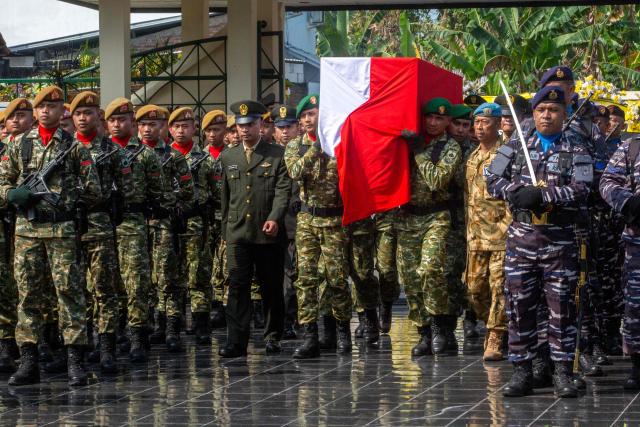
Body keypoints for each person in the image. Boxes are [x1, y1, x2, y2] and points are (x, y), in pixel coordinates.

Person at [486, 86, 593, 398]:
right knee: (519, 306)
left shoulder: (577, 147)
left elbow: (583, 190)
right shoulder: (517, 143)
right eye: (542, 109)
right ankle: (522, 370)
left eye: (554, 110)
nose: (547, 115)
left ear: (565, 114)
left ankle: (562, 371)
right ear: (533, 113)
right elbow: (491, 178)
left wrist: (544, 195)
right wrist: (514, 192)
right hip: (522, 239)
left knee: (561, 308)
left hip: (559, 241)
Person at [0, 86, 102, 386]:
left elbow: (94, 190)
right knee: (28, 295)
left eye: (52, 106)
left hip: (62, 230)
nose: (45, 111)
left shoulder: (74, 147)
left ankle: (75, 361)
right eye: (41, 106)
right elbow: (2, 181)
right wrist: (14, 195)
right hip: (27, 231)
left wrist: (69, 197)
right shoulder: (19, 145)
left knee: (69, 293)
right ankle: (29, 360)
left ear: (62, 112)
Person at [219, 100, 290, 357]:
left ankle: (272, 336)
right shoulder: (228, 157)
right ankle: (236, 341)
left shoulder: (276, 155)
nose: (245, 130)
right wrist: (225, 232)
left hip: (267, 232)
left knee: (271, 286)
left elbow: (283, 192)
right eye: (241, 126)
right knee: (237, 286)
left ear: (261, 124)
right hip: (238, 232)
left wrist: (275, 218)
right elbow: (225, 200)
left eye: (250, 125)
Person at [284, 94, 352, 359]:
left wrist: (330, 143)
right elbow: (295, 172)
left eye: (313, 114)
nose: (308, 119)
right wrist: (316, 148)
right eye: (304, 116)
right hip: (307, 221)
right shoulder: (296, 147)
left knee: (336, 279)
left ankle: (342, 330)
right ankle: (310, 334)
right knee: (306, 278)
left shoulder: (340, 144)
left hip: (335, 219)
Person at [399, 97, 461, 356]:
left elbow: (437, 180)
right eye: (429, 117)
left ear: (448, 122)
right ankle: (423, 331)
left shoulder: (450, 147)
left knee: (430, 269)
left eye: (439, 118)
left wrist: (418, 152)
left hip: (436, 217)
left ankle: (438, 326)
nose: (433, 122)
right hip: (407, 218)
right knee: (411, 278)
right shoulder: (410, 141)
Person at [67, 91, 123, 374]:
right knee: (75, 290)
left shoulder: (111, 149)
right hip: (69, 227)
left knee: (103, 287)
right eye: (77, 114)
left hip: (100, 223)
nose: (82, 118)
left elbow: (123, 189)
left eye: (87, 113)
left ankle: (107, 346)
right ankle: (82, 343)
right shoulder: (64, 147)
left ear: (97, 116)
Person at [106, 98, 164, 362]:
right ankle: (110, 334)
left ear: (132, 123)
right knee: (104, 282)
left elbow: (158, 193)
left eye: (122, 120)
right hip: (102, 225)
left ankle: (138, 334)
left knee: (136, 282)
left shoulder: (145, 154)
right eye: (113, 120)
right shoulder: (96, 152)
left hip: (133, 222)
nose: (117, 124)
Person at [141, 105, 194, 353]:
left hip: (163, 222)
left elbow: (187, 191)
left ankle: (172, 326)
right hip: (139, 223)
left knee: (168, 276)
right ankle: (154, 323)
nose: (147, 129)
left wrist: (172, 205)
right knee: (143, 277)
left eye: (154, 124)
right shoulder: (131, 155)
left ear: (163, 128)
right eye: (143, 124)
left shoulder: (174, 156)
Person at [463, 102, 510, 361]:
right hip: (476, 236)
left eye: (486, 123)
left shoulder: (506, 155)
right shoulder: (472, 157)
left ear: (498, 125)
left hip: (500, 236)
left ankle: (496, 335)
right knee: (474, 289)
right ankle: (495, 321)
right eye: (477, 122)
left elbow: (511, 198)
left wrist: (508, 228)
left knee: (499, 287)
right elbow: (467, 198)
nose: (480, 127)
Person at [169, 107, 217, 345]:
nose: (181, 130)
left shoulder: (205, 159)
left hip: (197, 223)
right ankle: (173, 326)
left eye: (186, 126)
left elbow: (217, 194)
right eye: (176, 126)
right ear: (170, 129)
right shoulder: (163, 158)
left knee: (199, 274)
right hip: (170, 225)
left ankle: (201, 324)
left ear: (194, 129)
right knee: (171, 276)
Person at [599, 122, 640, 390]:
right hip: (638, 238)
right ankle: (638, 363)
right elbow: (607, 181)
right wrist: (629, 202)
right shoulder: (631, 147)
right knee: (636, 305)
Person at [445, 104, 478, 342]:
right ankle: (448, 320)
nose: (460, 129)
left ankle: (470, 317)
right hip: (444, 217)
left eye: (466, 125)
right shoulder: (439, 148)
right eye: (457, 124)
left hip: (468, 219)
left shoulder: (475, 152)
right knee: (447, 272)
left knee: (470, 271)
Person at [272, 104, 300, 339]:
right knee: (282, 277)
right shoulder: (268, 155)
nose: (284, 132)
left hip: (300, 222)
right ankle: (286, 320)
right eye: (280, 127)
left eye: (289, 127)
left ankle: (300, 319)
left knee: (300, 276)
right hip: (276, 224)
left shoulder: (305, 152)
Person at [202, 109, 229, 329]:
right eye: (208, 130)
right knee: (208, 260)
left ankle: (225, 304)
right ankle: (213, 303)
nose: (212, 134)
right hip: (207, 217)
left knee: (226, 262)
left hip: (228, 216)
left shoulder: (232, 155)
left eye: (216, 130)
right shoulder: (201, 157)